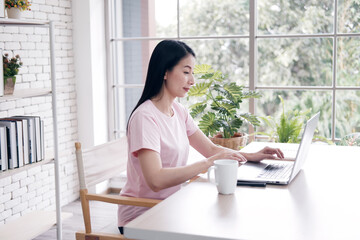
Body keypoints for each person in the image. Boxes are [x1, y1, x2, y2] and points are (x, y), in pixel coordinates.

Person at [117, 40, 284, 234]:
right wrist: (209, 163)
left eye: (192, 73)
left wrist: (254, 155)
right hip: (142, 217)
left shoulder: (178, 111)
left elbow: (211, 149)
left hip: (171, 207)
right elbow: (156, 180)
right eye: (186, 72)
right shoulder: (145, 118)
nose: (192, 80)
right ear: (165, 72)